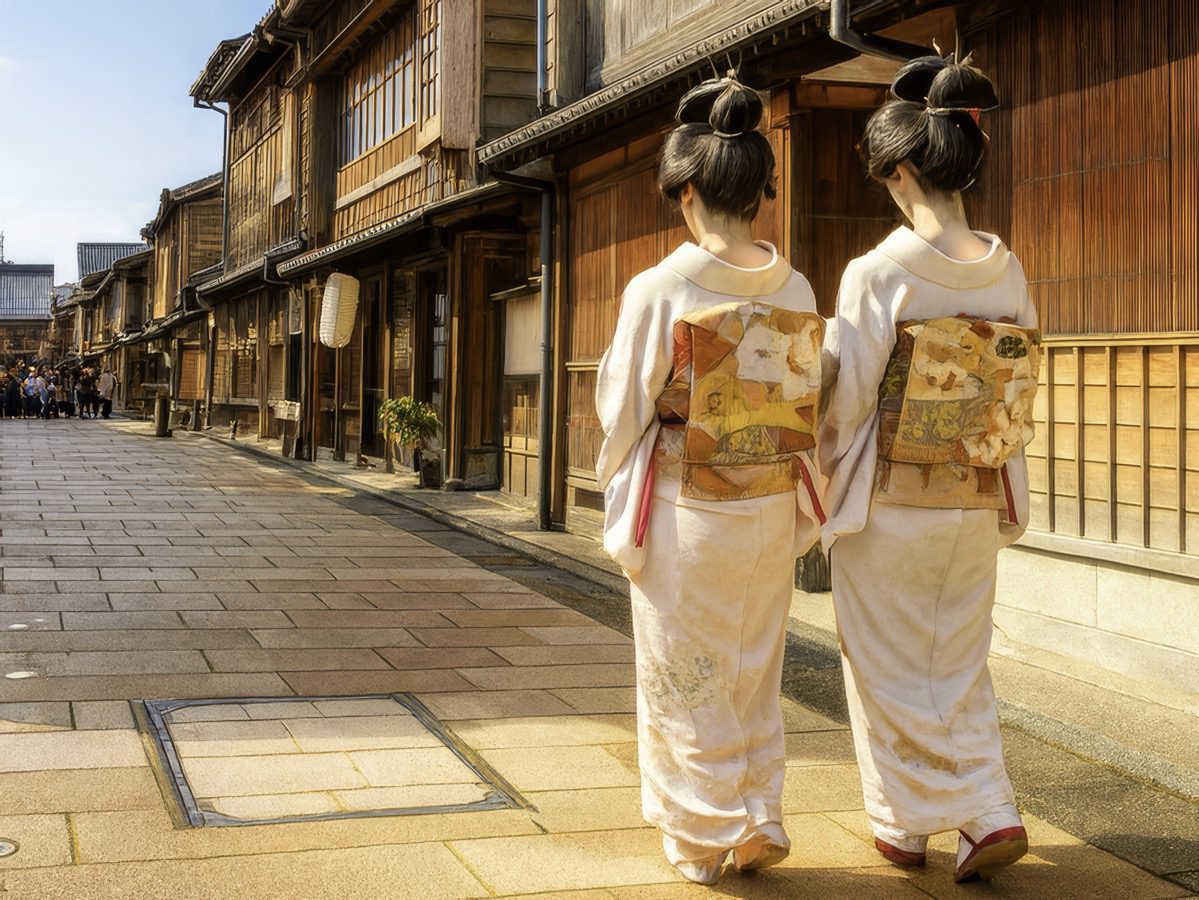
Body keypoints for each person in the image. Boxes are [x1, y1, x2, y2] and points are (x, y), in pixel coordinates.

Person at [594, 74, 825, 885]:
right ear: (753, 186)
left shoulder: (664, 287)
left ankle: (702, 833)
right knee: (753, 666)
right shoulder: (793, 287)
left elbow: (623, 403)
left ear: (684, 188)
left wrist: (617, 469)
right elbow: (811, 397)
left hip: (688, 503)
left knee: (681, 672)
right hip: (768, 501)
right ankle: (758, 811)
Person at [818, 54, 1039, 884]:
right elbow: (1011, 382)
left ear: (902, 169)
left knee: (879, 663)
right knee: (954, 659)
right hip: (973, 494)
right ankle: (903, 825)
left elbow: (848, 402)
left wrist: (824, 468)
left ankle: (983, 810)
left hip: (892, 497)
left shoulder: (878, 273)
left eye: (884, 177)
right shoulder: (1004, 267)